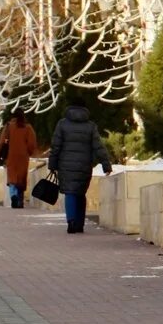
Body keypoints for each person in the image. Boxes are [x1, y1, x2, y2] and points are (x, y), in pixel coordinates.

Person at [49, 98, 113, 234]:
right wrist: (106, 164)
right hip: (84, 165)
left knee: (70, 193)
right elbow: (98, 147)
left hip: (65, 165)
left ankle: (71, 221)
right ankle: (79, 224)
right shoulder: (90, 126)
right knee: (80, 193)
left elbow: (56, 146)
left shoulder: (62, 124)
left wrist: (52, 164)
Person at [0, 108, 39, 208]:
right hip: (23, 157)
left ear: (13, 116)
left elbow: (1, 142)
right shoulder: (28, 127)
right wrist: (29, 152)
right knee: (21, 178)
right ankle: (20, 200)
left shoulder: (8, 126)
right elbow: (32, 143)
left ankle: (13, 196)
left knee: (12, 178)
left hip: (11, 156)